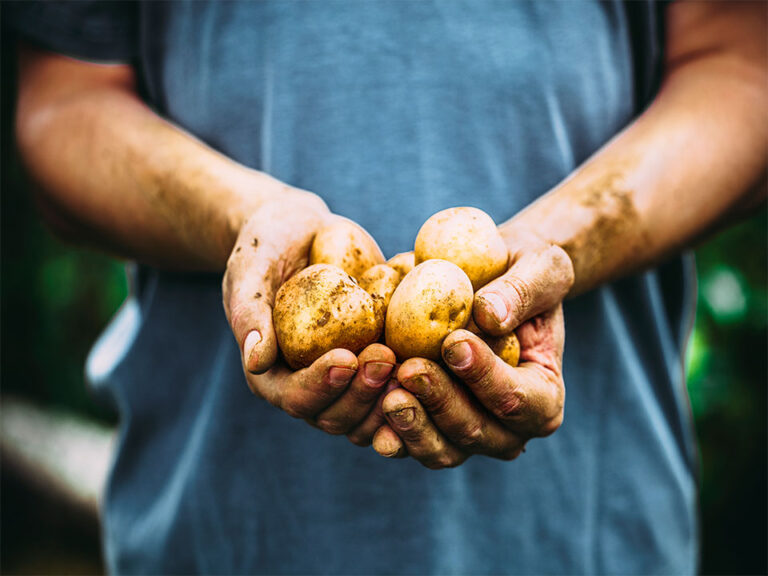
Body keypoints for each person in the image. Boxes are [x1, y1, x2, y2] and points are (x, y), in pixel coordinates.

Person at [11, 1, 766, 574]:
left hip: (590, 529)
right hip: (225, 531)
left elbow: (743, 67)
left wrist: (558, 247)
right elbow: (64, 102)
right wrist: (242, 220)